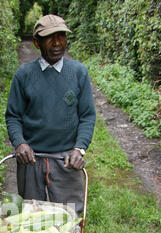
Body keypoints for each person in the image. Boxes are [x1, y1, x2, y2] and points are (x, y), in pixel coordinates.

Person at [5, 14, 96, 215]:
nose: (57, 43)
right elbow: (13, 116)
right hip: (32, 159)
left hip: (66, 159)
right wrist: (20, 143)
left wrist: (79, 149)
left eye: (61, 36)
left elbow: (87, 116)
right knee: (31, 216)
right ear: (37, 42)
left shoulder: (78, 72)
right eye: (50, 37)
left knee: (69, 215)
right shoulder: (24, 75)